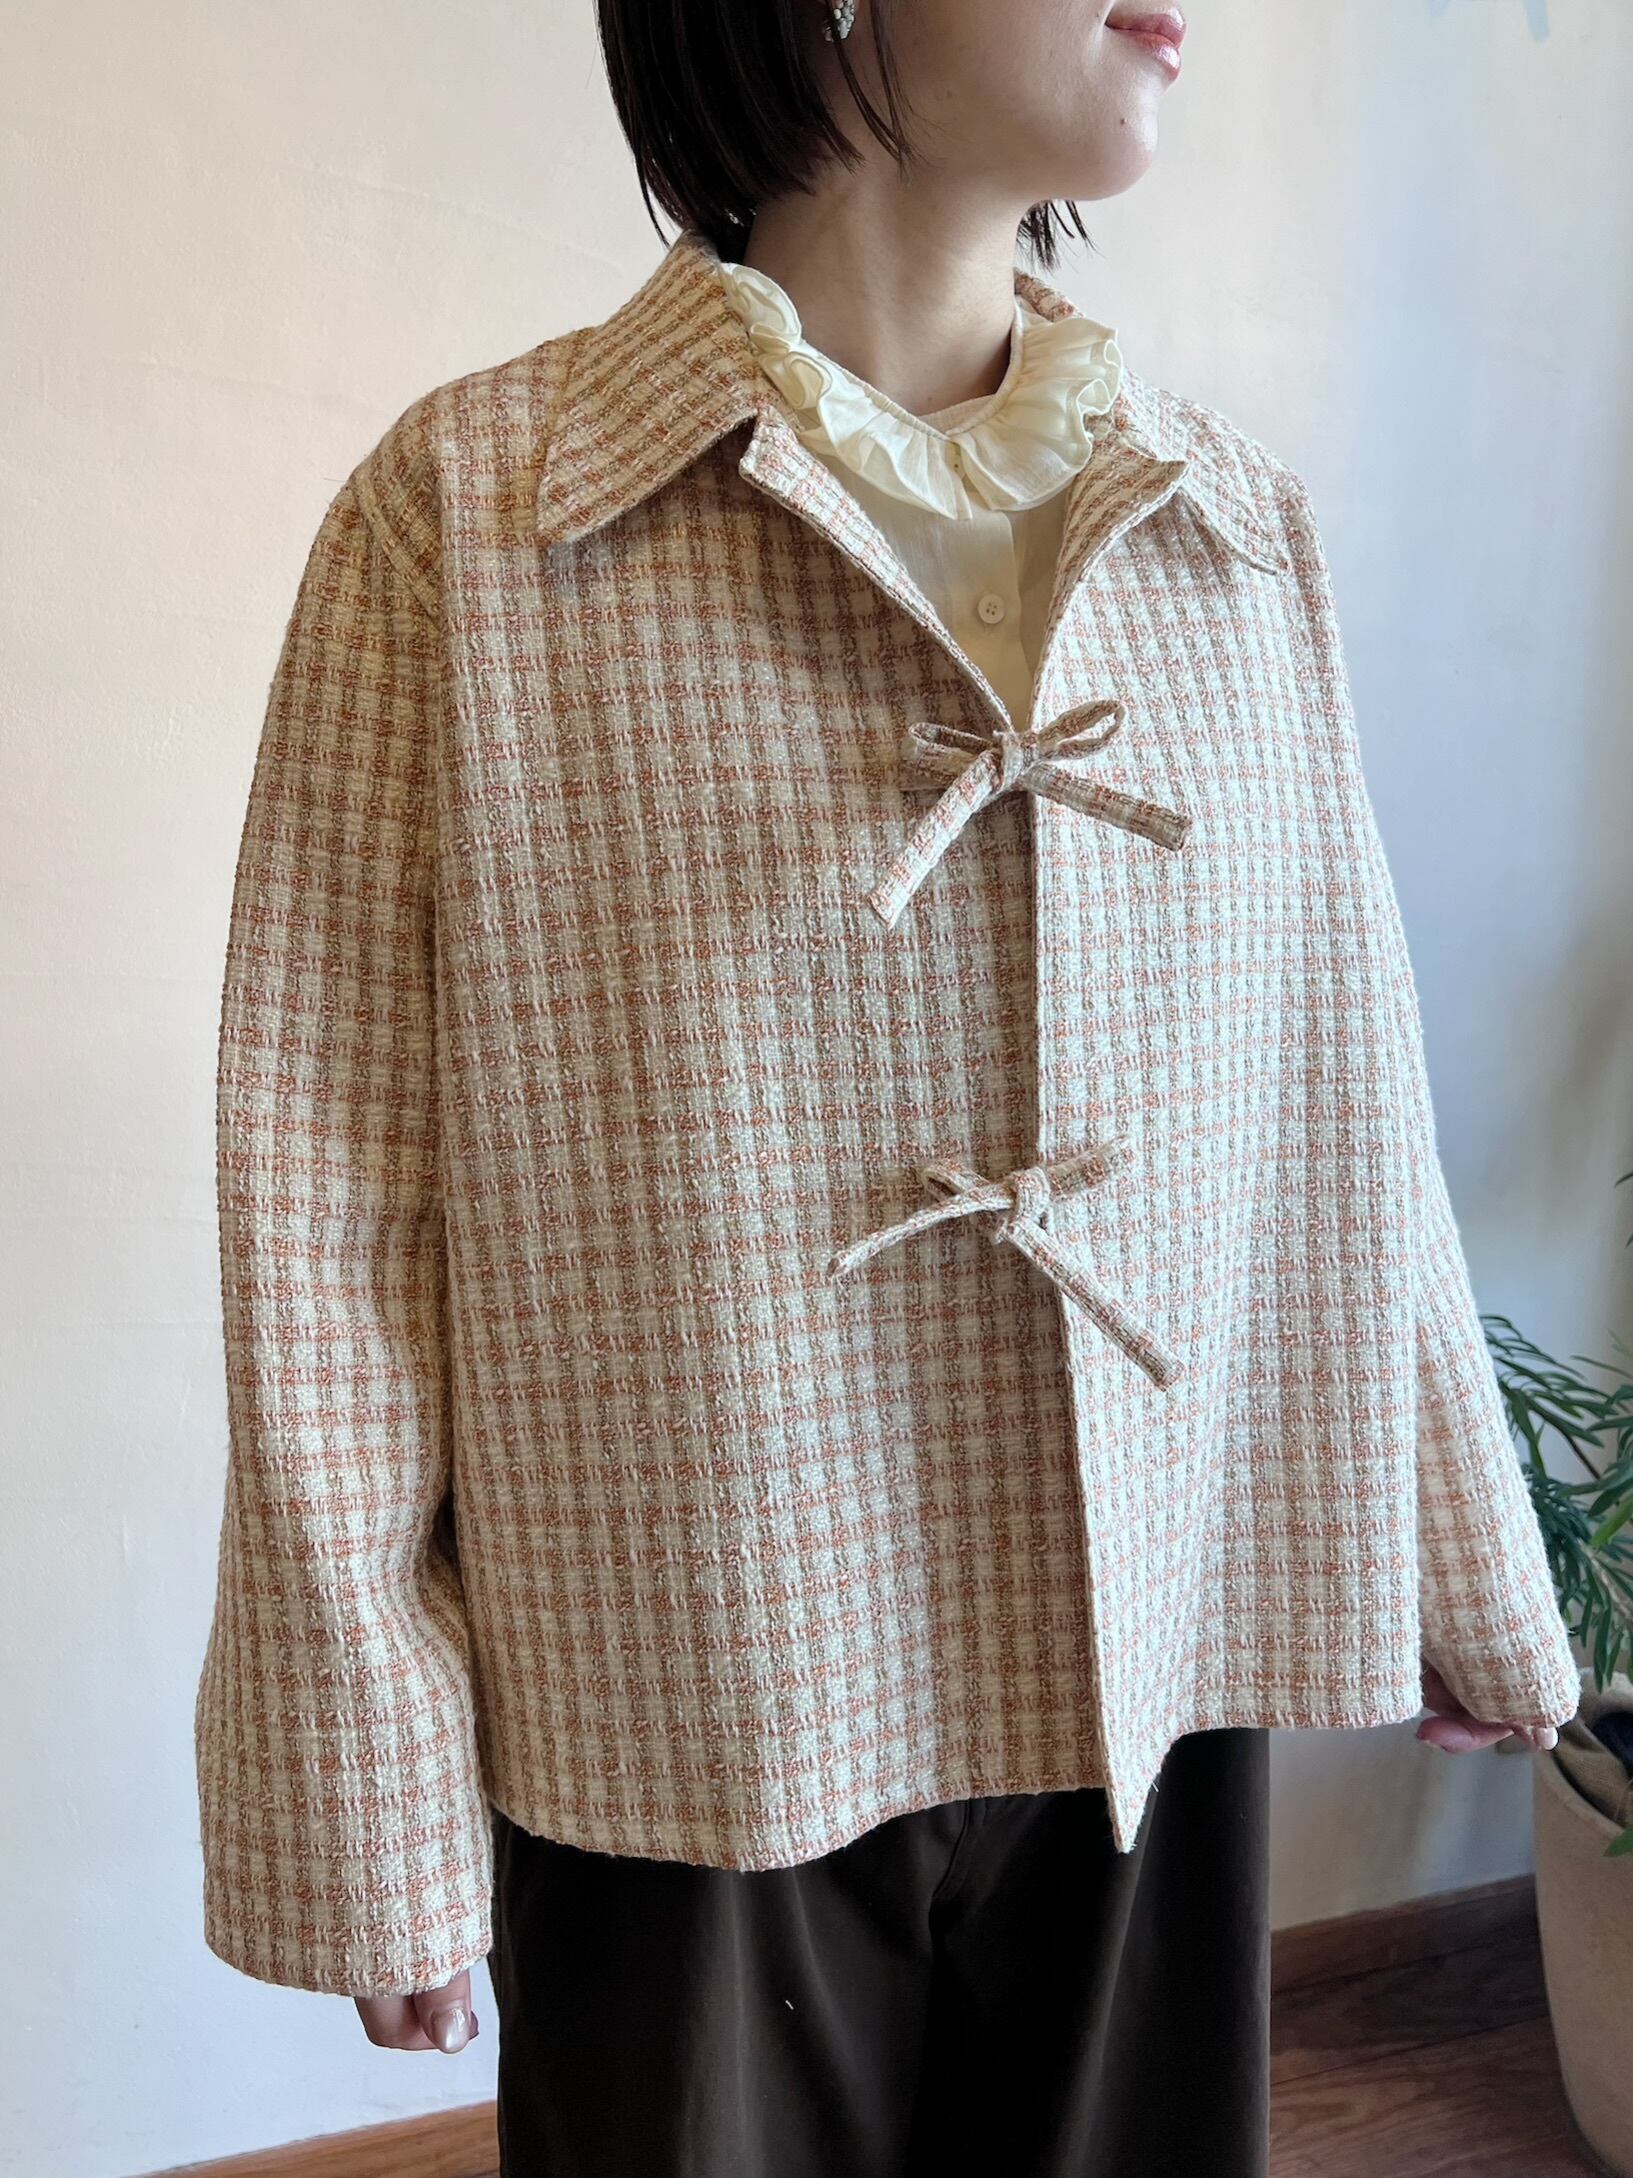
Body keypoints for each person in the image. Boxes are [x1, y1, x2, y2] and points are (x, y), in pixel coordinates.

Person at [194, 4, 1578, 2174]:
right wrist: (369, 1765)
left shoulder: (1226, 524)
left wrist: (1450, 1538)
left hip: (1149, 1653)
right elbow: (329, 1194)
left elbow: (1344, 1090)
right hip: (685, 1689)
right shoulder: (472, 518)